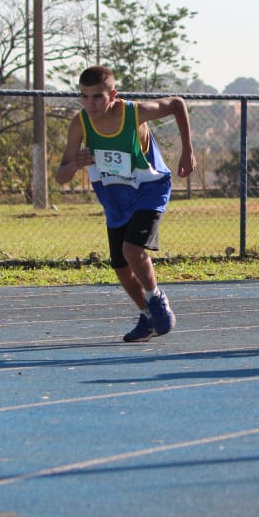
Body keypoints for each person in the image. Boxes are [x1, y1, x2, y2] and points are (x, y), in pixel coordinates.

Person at [55, 66, 196, 343]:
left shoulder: (134, 113)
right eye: (84, 97)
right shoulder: (80, 124)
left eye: (97, 97)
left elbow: (177, 104)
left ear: (113, 95)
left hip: (149, 189)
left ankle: (156, 298)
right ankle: (147, 316)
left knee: (131, 249)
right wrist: (74, 164)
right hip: (115, 196)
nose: (90, 104)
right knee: (120, 267)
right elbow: (61, 176)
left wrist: (187, 150)